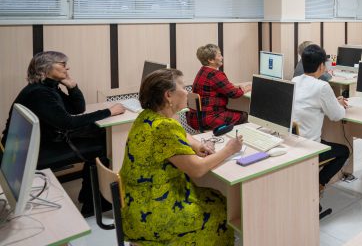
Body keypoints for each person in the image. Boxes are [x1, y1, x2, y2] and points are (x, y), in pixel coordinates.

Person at [121, 68, 243, 245]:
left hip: (138, 205)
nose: (187, 92)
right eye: (183, 87)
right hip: (156, 214)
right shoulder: (164, 128)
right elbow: (197, 169)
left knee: (216, 194)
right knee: (221, 205)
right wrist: (229, 150)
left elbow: (182, 134)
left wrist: (197, 145)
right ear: (168, 95)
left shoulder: (148, 116)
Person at [0, 51, 125, 216]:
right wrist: (109, 112)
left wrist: (72, 86)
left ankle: (89, 197)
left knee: (100, 136)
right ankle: (93, 206)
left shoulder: (47, 87)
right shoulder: (39, 93)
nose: (67, 68)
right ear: (45, 69)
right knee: (102, 147)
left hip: (36, 144)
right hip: (30, 153)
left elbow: (77, 109)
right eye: (63, 64)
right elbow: (68, 123)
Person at [291, 44, 350, 196]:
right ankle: (319, 183)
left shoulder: (295, 80)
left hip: (294, 140)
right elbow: (337, 116)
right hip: (310, 146)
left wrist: (332, 102)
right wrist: (339, 104)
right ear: (321, 66)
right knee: (344, 151)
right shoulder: (322, 86)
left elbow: (311, 104)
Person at [187, 44, 251, 131]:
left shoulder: (202, 71)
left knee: (233, 112)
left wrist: (234, 86)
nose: (222, 57)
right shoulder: (215, 74)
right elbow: (234, 93)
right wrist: (248, 87)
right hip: (209, 118)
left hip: (196, 118)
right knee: (243, 116)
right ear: (210, 60)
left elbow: (220, 85)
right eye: (219, 55)